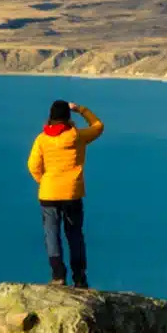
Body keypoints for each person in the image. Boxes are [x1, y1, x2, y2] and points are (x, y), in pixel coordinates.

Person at [27, 100, 104, 288]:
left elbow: (33, 166)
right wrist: (80, 109)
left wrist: (44, 181)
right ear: (68, 118)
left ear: (51, 118)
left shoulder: (41, 139)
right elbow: (98, 126)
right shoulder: (77, 136)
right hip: (72, 194)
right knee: (75, 235)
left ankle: (58, 276)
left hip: (48, 194)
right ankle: (79, 278)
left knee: (51, 234)